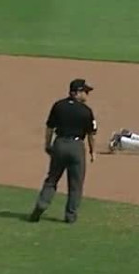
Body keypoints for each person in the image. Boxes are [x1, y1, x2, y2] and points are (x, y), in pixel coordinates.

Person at [30, 79, 98, 224]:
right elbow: (91, 134)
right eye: (85, 92)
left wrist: (47, 144)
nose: (86, 95)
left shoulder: (58, 106)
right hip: (76, 146)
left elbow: (50, 128)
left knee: (52, 179)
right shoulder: (86, 111)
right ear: (77, 92)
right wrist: (93, 151)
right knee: (75, 184)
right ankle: (70, 216)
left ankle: (41, 204)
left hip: (59, 144)